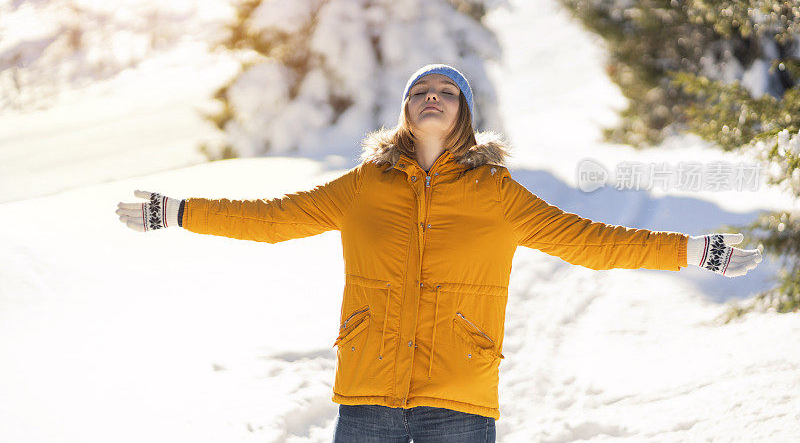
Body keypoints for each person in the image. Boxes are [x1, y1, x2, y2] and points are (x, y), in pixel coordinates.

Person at [115, 63, 762, 442]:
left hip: (459, 398)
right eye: (420, 91)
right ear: (403, 112)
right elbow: (273, 219)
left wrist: (691, 250)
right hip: (368, 395)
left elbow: (591, 241)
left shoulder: (497, 193)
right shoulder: (363, 186)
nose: (431, 97)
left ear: (464, 116)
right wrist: (176, 211)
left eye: (446, 92)